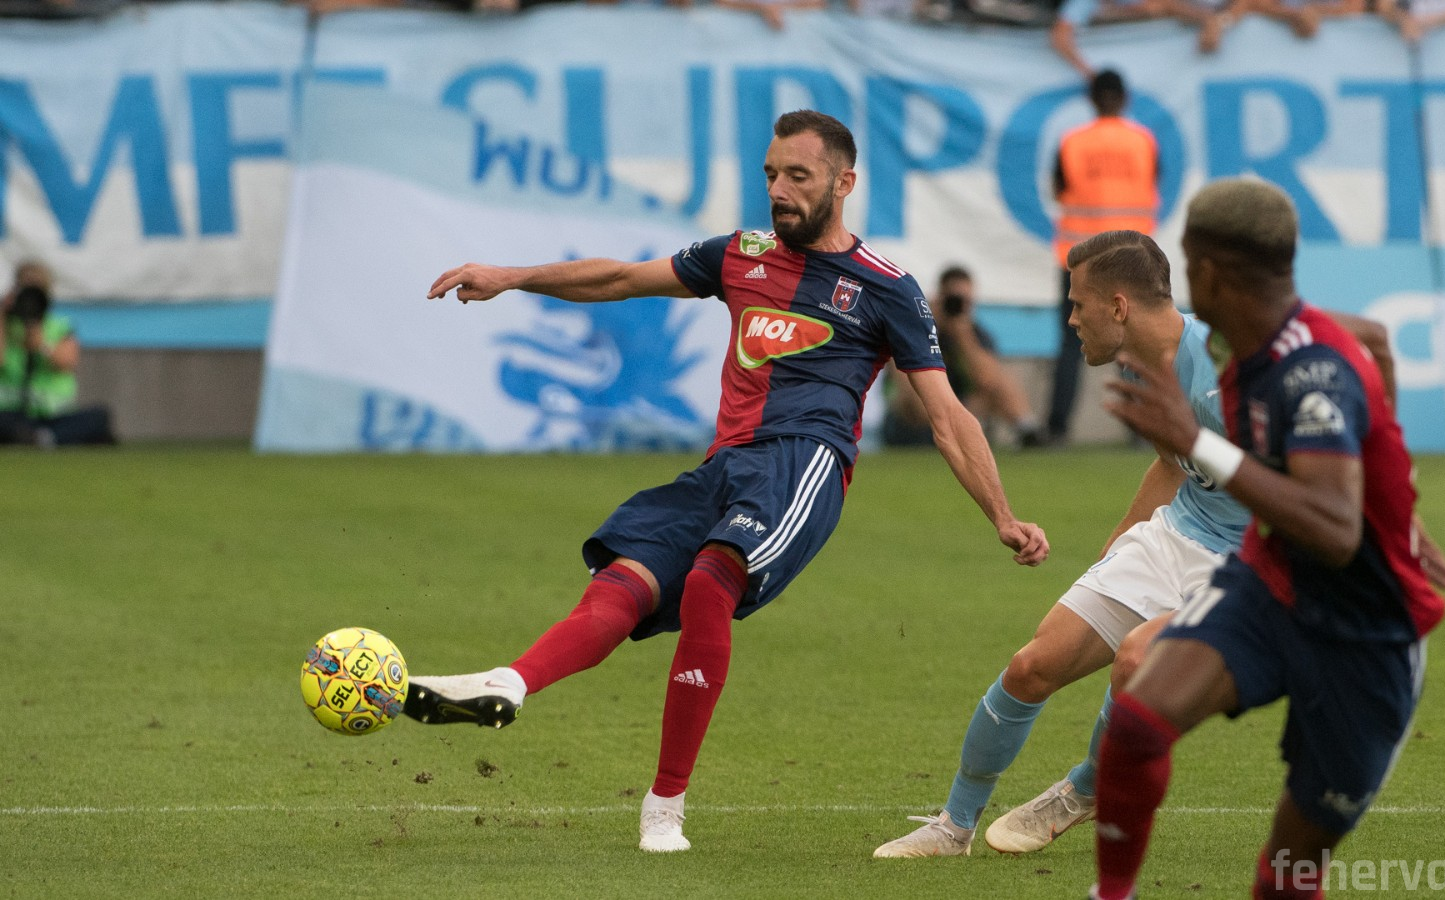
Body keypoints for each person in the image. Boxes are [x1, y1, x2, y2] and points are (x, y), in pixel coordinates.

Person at [411, 109, 1050, 854]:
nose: (778, 190)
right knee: (625, 580)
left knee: (712, 581)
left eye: (798, 176)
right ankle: (510, 682)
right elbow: (621, 277)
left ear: (844, 183)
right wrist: (511, 277)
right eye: (771, 174)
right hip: (723, 465)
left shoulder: (886, 289)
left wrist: (1002, 515)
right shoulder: (739, 256)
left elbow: (947, 416)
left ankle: (664, 808)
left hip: (803, 464)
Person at [871, 231, 1443, 860]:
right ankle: (953, 827)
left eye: (1078, 304)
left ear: (1118, 306)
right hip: (1176, 532)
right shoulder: (1142, 363)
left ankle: (1086, 788)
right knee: (1031, 668)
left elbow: (1351, 397)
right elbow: (1173, 463)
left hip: (1249, 562)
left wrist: (1396, 517)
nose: (1071, 319)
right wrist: (1119, 543)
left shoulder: (1230, 358)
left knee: (1136, 659)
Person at [1088, 178, 1445, 900]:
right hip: (1271, 584)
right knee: (1136, 724)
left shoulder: (1312, 374)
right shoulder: (1240, 334)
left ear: (1211, 271)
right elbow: (1378, 338)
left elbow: (1336, 532)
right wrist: (1395, 489)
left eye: (1188, 262)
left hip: (1366, 629)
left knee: (1288, 872)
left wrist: (1197, 442)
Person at [1046, 70, 1159, 447]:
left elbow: (1058, 191)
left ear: (1092, 100)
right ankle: (1142, 430)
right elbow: (1153, 186)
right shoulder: (1143, 141)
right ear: (1124, 99)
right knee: (1133, 340)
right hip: (1131, 259)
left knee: (1071, 342)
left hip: (1080, 258)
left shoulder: (1072, 141)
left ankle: (1058, 429)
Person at [881, 266, 1043, 449]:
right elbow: (905, 384)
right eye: (952, 300)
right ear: (939, 298)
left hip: (957, 409)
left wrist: (963, 336)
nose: (957, 306)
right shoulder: (914, 329)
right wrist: (927, 326)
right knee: (918, 394)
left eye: (964, 301)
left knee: (999, 380)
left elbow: (989, 380)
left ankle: (1028, 430)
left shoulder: (975, 334)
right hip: (916, 417)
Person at [0, 261, 115, 447]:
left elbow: (67, 362)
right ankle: (44, 437)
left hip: (54, 414)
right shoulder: (6, 326)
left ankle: (42, 437)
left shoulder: (59, 326)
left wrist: (42, 345)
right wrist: (2, 314)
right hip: (12, 412)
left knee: (99, 416)